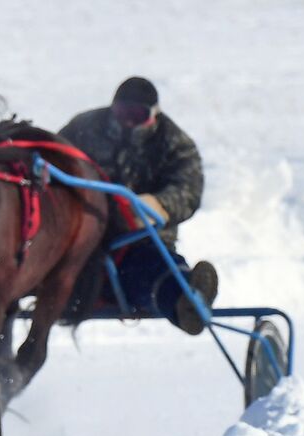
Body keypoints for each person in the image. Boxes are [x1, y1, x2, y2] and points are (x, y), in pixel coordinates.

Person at [60, 77, 217, 334]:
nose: (128, 121)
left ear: (153, 115)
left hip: (140, 240)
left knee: (154, 272)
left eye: (137, 115)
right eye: (123, 113)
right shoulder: (84, 128)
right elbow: (55, 161)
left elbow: (188, 189)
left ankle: (187, 301)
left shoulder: (174, 142)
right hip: (82, 238)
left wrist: (157, 206)